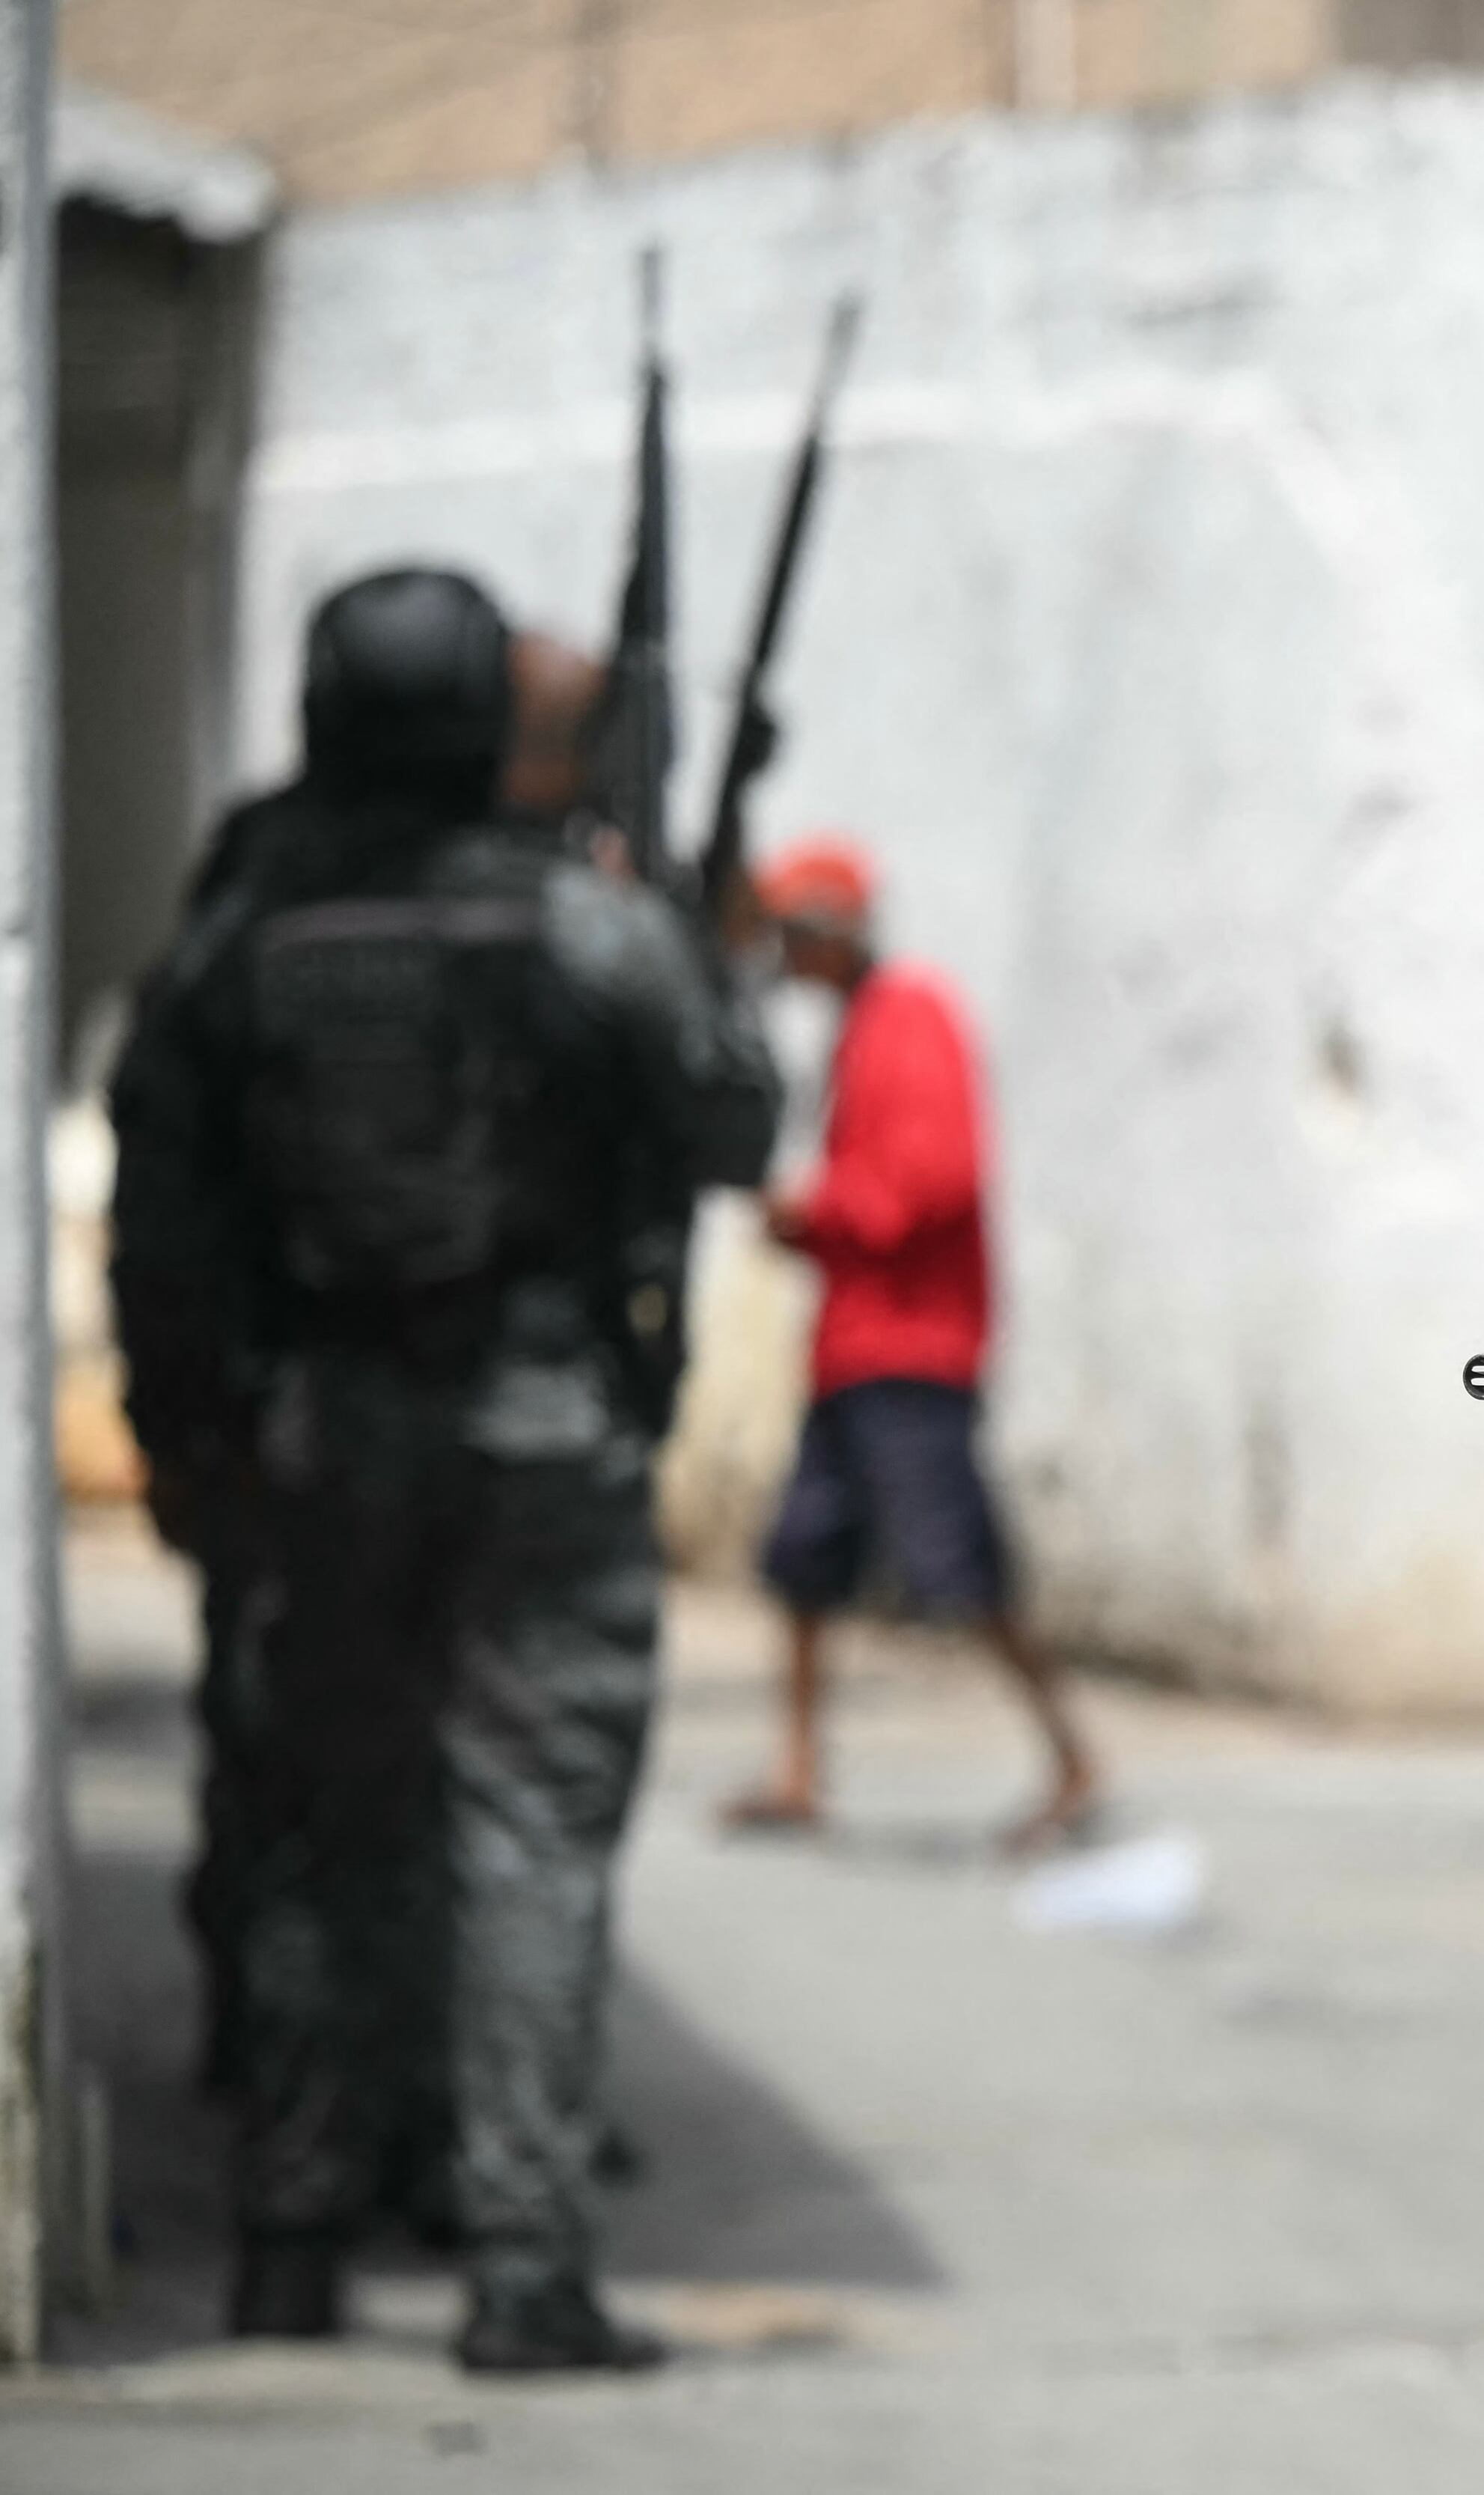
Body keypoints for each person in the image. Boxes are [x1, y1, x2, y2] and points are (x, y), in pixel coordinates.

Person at [111, 567, 780, 2369]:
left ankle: (290, 2239)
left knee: (325, 1824)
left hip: (321, 1425)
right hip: (541, 1426)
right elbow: (733, 1119)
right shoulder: (579, 926)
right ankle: (521, 2263)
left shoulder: (244, 937)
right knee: (531, 1829)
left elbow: (163, 1210)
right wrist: (690, 919)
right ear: (492, 727)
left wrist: (188, 1435)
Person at [722, 835, 1097, 1854]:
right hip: (853, 1346)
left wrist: (821, 1213)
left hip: (914, 1348)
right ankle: (800, 1768)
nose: (786, 957)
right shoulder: (857, 1030)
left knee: (960, 1568)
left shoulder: (912, 1015)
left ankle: (1072, 1758)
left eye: (796, 936)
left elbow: (933, 1178)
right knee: (804, 1559)